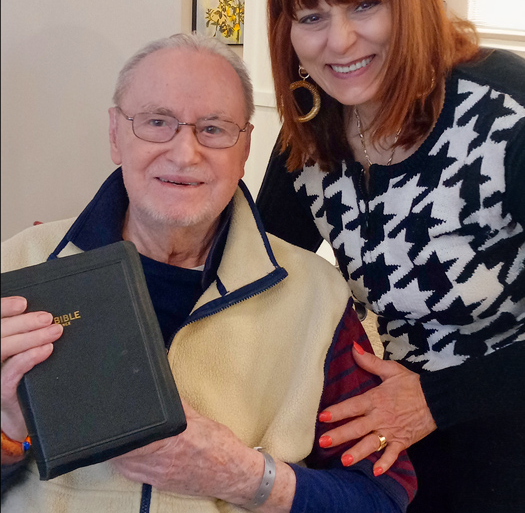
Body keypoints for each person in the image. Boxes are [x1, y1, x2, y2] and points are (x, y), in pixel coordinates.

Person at [1, 33, 416, 513]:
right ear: (115, 134)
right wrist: (8, 433)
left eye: (214, 129)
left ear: (245, 150)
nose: (185, 154)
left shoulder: (319, 299)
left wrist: (245, 476)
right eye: (157, 122)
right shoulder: (19, 266)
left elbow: (380, 499)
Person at [256, 0, 525, 513]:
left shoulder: (502, 107)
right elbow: (258, 264)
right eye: (312, 16)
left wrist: (438, 399)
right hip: (400, 437)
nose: (341, 41)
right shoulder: (311, 130)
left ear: (408, 2)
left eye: (364, 4)